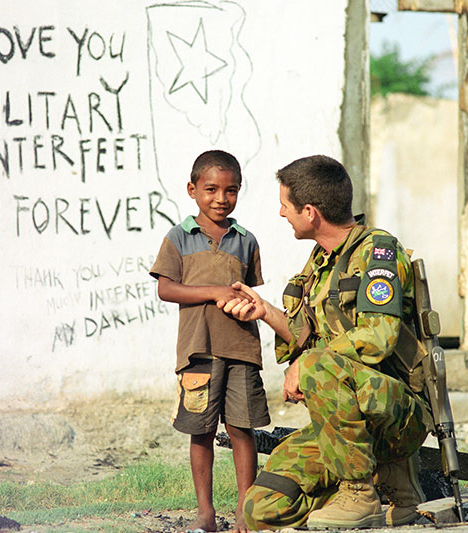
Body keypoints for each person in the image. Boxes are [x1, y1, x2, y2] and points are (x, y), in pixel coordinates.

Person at [219, 155, 430, 529]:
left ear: (311, 212)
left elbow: (378, 338)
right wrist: (265, 312)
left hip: (398, 415)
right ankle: (389, 484)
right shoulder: (320, 263)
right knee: (261, 509)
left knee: (318, 363)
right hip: (345, 429)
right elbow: (305, 339)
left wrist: (309, 362)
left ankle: (360, 494)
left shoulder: (378, 251)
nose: (281, 213)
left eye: (286, 205)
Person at [150, 150, 270, 533]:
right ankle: (205, 513)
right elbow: (166, 289)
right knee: (200, 430)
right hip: (198, 351)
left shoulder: (245, 240)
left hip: (241, 350)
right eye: (211, 189)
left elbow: (249, 292)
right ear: (192, 190)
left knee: (241, 429)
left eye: (231, 190)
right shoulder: (178, 238)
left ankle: (244, 511)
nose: (221, 198)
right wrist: (213, 291)